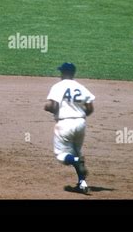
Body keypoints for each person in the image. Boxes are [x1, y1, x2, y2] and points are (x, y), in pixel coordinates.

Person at [44, 62, 95, 194]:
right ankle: (82, 184)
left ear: (63, 73)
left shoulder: (58, 86)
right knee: (77, 152)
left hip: (65, 124)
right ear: (73, 73)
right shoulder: (80, 87)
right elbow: (90, 108)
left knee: (62, 155)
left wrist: (47, 107)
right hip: (80, 123)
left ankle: (76, 161)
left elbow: (53, 106)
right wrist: (80, 117)